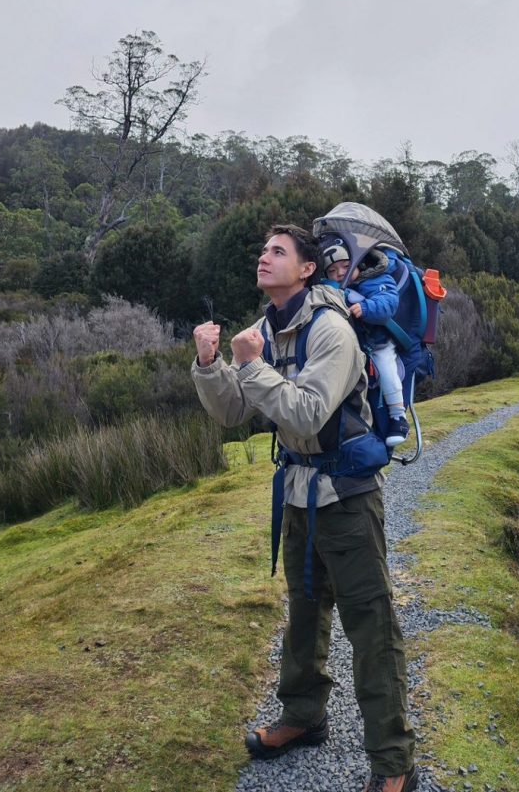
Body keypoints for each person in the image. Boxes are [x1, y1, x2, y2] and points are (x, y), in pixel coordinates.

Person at [192, 224, 417, 792]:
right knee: (304, 616)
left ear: (308, 268)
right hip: (297, 496)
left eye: (277, 251)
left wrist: (251, 364)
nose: (263, 257)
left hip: (346, 499)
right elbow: (232, 413)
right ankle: (303, 717)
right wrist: (212, 364)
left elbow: (307, 413)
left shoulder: (332, 330)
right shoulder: (265, 328)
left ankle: (393, 763)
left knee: (370, 627)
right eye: (261, 249)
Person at [322, 239, 410, 447]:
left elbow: (389, 302)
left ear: (358, 263)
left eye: (345, 265)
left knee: (387, 369)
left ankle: (399, 417)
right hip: (353, 348)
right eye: (333, 270)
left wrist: (367, 308)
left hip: (378, 342)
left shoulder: (376, 279)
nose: (340, 273)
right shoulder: (332, 290)